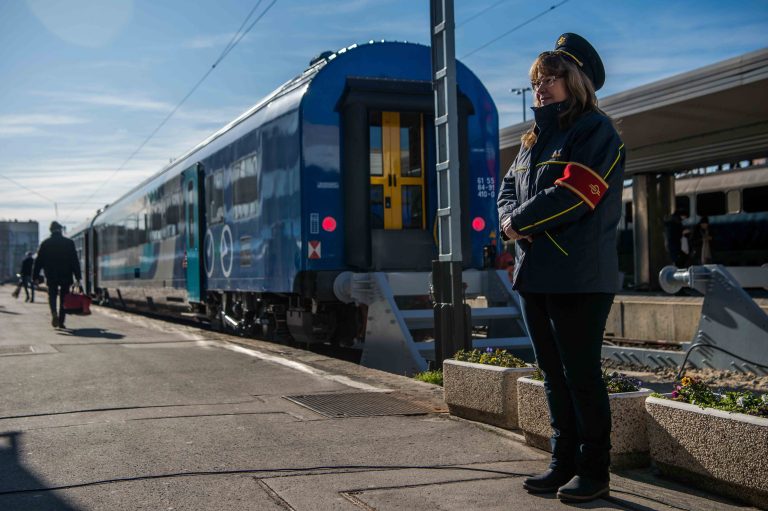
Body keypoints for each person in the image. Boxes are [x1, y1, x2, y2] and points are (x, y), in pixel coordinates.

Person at [497, 33, 624, 503]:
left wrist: (516, 225)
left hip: (579, 278)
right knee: (552, 374)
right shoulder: (533, 140)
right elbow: (507, 190)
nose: (541, 88)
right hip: (536, 274)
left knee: (581, 375)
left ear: (577, 81)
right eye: (536, 80)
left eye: (552, 78)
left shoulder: (596, 131)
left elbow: (576, 192)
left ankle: (595, 471)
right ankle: (562, 462)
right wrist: (509, 221)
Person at [33, 221, 82, 329]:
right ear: (60, 230)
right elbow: (74, 260)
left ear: (50, 230)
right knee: (64, 297)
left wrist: (35, 276)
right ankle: (61, 321)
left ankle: (54, 313)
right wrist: (78, 276)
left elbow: (38, 261)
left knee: (52, 295)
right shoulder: (69, 243)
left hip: (51, 275)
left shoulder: (45, 243)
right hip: (66, 275)